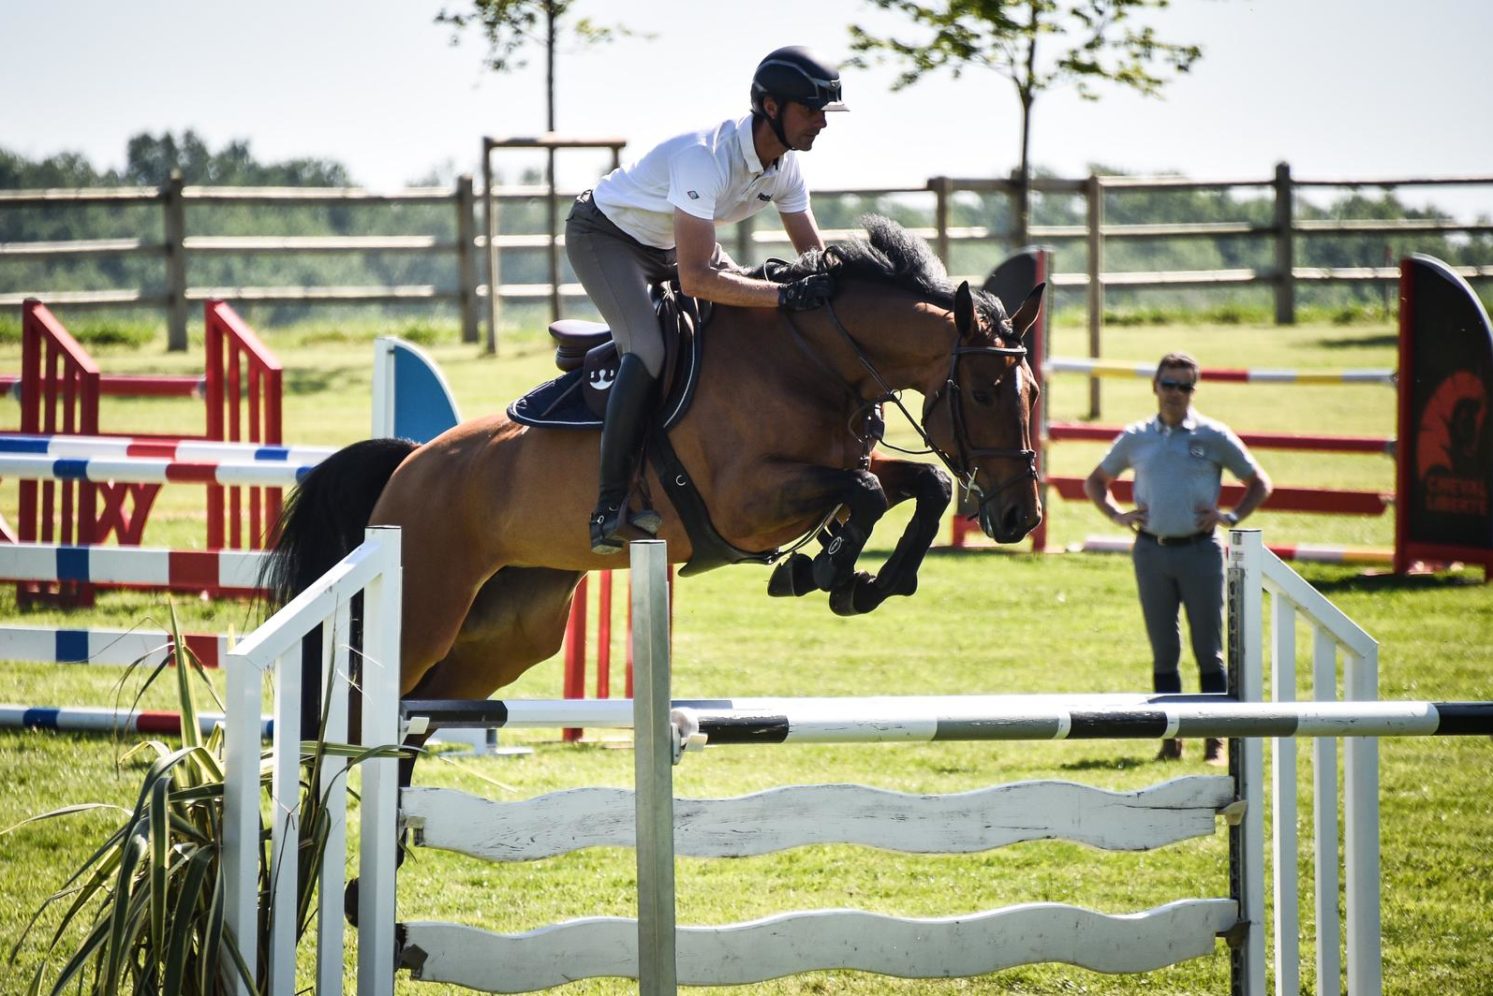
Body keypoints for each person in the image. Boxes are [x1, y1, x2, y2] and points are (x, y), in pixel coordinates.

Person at [566, 46, 846, 554]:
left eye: (825, 111)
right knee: (647, 351)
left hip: (670, 244)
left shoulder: (785, 168)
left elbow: (815, 259)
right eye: (812, 110)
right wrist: (785, 295)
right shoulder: (703, 159)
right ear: (771, 108)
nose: (822, 123)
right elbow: (697, 280)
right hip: (605, 237)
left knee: (740, 327)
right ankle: (608, 509)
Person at [1083, 352, 1273, 763]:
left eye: (1184, 386)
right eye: (1169, 384)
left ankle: (1215, 739)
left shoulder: (1212, 435)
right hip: (1151, 551)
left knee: (1209, 649)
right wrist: (1117, 514)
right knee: (1164, 649)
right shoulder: (1137, 437)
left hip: (1200, 552)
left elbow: (1259, 481)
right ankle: (1170, 738)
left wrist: (1232, 515)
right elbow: (1096, 481)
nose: (1175, 394)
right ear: (1155, 386)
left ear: (1194, 391)